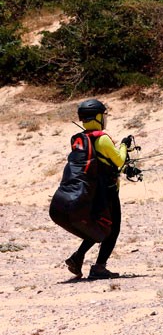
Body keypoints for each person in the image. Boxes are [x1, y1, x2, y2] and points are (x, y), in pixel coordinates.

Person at [63, 99, 133, 280]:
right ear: (98, 117)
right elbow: (118, 160)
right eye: (104, 115)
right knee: (112, 229)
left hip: (91, 191)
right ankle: (99, 267)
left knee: (100, 226)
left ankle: (77, 257)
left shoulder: (82, 139)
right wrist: (125, 145)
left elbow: (103, 162)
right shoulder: (102, 138)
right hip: (107, 192)